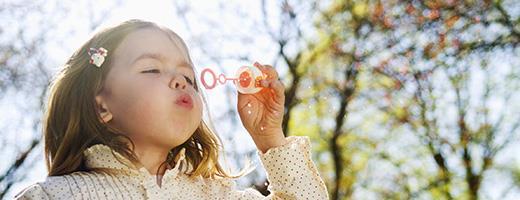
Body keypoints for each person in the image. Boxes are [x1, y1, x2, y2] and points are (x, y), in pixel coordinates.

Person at [14, 19, 328, 199]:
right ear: (102, 105)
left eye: (189, 76)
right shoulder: (53, 196)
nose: (180, 80)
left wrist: (270, 139)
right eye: (151, 69)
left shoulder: (220, 197)